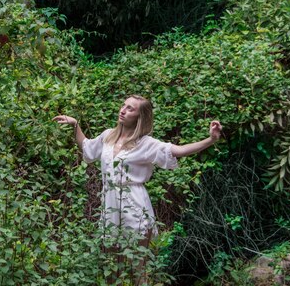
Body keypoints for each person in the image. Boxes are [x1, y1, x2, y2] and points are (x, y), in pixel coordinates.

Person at [53, 95, 222, 243]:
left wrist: (211, 140)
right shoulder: (108, 135)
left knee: (137, 265)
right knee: (111, 262)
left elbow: (180, 150)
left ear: (139, 116)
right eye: (123, 106)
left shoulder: (146, 144)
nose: (123, 110)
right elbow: (88, 148)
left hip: (134, 203)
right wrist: (75, 125)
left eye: (130, 109)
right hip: (110, 202)